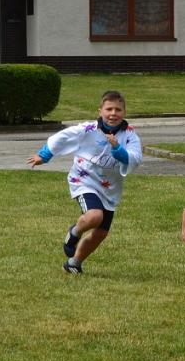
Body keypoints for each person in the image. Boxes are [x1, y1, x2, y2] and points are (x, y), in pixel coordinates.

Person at [26, 90, 143, 274]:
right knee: (95, 216)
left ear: (124, 112)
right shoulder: (88, 129)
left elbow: (135, 158)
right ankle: (75, 232)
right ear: (100, 111)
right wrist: (45, 155)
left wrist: (117, 149)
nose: (113, 113)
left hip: (109, 189)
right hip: (84, 180)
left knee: (101, 233)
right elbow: (64, 137)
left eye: (118, 110)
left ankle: (74, 263)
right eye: (109, 109)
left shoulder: (129, 135)